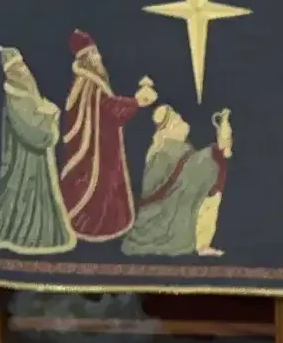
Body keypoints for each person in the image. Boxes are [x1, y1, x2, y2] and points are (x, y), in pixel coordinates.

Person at [59, 31, 156, 241]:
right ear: (88, 58)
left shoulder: (84, 82)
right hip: (98, 150)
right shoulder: (90, 84)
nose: (99, 57)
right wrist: (137, 102)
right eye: (95, 54)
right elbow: (109, 108)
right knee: (100, 187)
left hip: (101, 144)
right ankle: (96, 226)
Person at [0, 48, 75, 253]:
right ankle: (26, 236)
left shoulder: (24, 92)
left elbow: (34, 113)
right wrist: (49, 117)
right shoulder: (15, 95)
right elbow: (31, 129)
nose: (24, 70)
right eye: (18, 67)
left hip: (34, 160)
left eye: (23, 65)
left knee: (38, 196)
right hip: (24, 161)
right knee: (23, 196)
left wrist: (45, 111)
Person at [122, 105, 232, 257]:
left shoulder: (178, 148)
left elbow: (189, 169)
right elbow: (179, 178)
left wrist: (217, 151)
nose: (181, 121)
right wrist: (214, 153)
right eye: (177, 120)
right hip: (159, 219)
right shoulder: (163, 152)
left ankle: (202, 244)